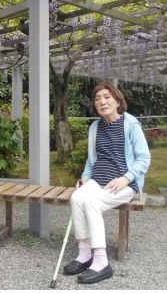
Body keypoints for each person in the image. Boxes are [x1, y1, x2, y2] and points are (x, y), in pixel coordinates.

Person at [63, 81, 150, 285]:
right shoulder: (95, 127)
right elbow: (91, 159)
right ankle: (85, 254)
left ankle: (101, 261)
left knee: (91, 202)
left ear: (118, 101)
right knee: (77, 198)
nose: (102, 102)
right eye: (97, 99)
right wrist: (85, 178)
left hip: (123, 183)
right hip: (97, 180)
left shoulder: (130, 124)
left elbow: (143, 158)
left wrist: (126, 178)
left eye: (107, 97)